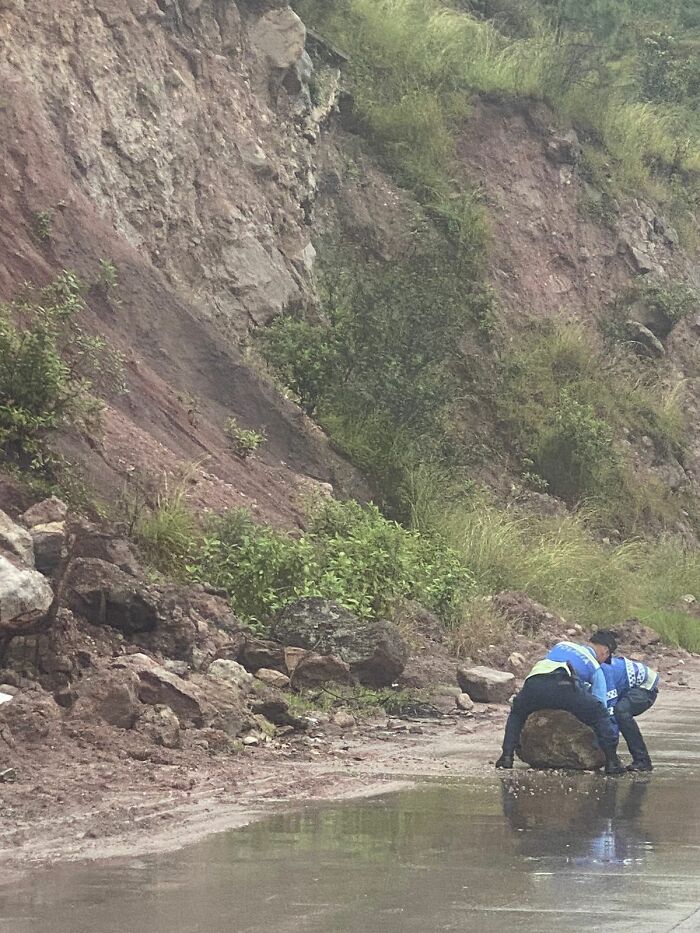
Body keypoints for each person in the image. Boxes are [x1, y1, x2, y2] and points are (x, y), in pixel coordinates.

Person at [495, 630, 626, 775]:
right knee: (599, 714)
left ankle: (506, 757)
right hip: (563, 685)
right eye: (606, 657)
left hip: (534, 683)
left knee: (517, 712)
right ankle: (612, 761)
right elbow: (601, 704)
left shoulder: (562, 645)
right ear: (605, 651)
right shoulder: (595, 667)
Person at [604, 655, 659, 772]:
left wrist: (611, 757)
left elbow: (610, 712)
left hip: (645, 687)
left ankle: (642, 760)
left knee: (620, 712)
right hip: (625, 685)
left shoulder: (604, 674)